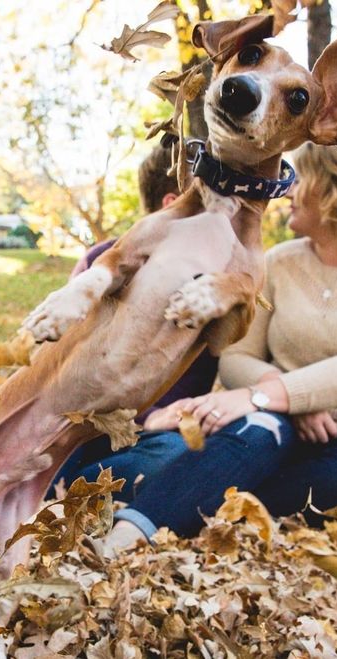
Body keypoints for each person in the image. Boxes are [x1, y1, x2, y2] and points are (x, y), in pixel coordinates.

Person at [102, 125, 337, 551]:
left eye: (302, 175)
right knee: (257, 429)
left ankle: (195, 493)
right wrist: (285, 402)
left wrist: (272, 394)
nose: (288, 187)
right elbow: (236, 356)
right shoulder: (279, 262)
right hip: (274, 428)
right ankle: (132, 531)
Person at [52, 145, 218, 499]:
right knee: (42, 448)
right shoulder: (104, 263)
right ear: (172, 203)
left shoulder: (216, 281)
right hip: (86, 425)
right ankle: (61, 490)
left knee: (177, 459)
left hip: (157, 441)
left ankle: (73, 493)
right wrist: (147, 417)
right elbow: (69, 367)